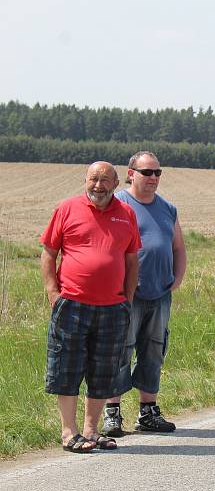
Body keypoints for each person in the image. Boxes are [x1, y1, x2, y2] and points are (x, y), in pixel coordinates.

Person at [40, 161, 141, 452]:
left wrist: (127, 298)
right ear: (85, 180)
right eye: (93, 179)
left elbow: (132, 260)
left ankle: (91, 431)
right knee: (66, 368)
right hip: (71, 303)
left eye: (105, 180)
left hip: (113, 307)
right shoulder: (67, 208)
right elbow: (48, 253)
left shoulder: (127, 214)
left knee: (103, 369)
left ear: (116, 183)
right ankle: (69, 433)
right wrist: (53, 293)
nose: (98, 185)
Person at [100, 152, 187, 437]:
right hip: (125, 295)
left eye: (157, 173)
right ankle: (112, 413)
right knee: (119, 350)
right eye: (147, 172)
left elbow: (177, 248)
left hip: (160, 292)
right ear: (131, 173)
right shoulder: (118, 205)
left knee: (154, 350)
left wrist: (177, 278)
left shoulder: (168, 209)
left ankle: (148, 412)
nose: (152, 178)